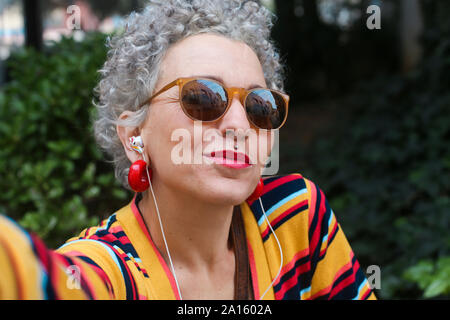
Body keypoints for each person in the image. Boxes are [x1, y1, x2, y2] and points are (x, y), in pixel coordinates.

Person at [0, 0, 376, 300]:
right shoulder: (110, 272)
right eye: (203, 98)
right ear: (135, 135)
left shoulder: (296, 218)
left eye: (260, 106)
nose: (238, 125)